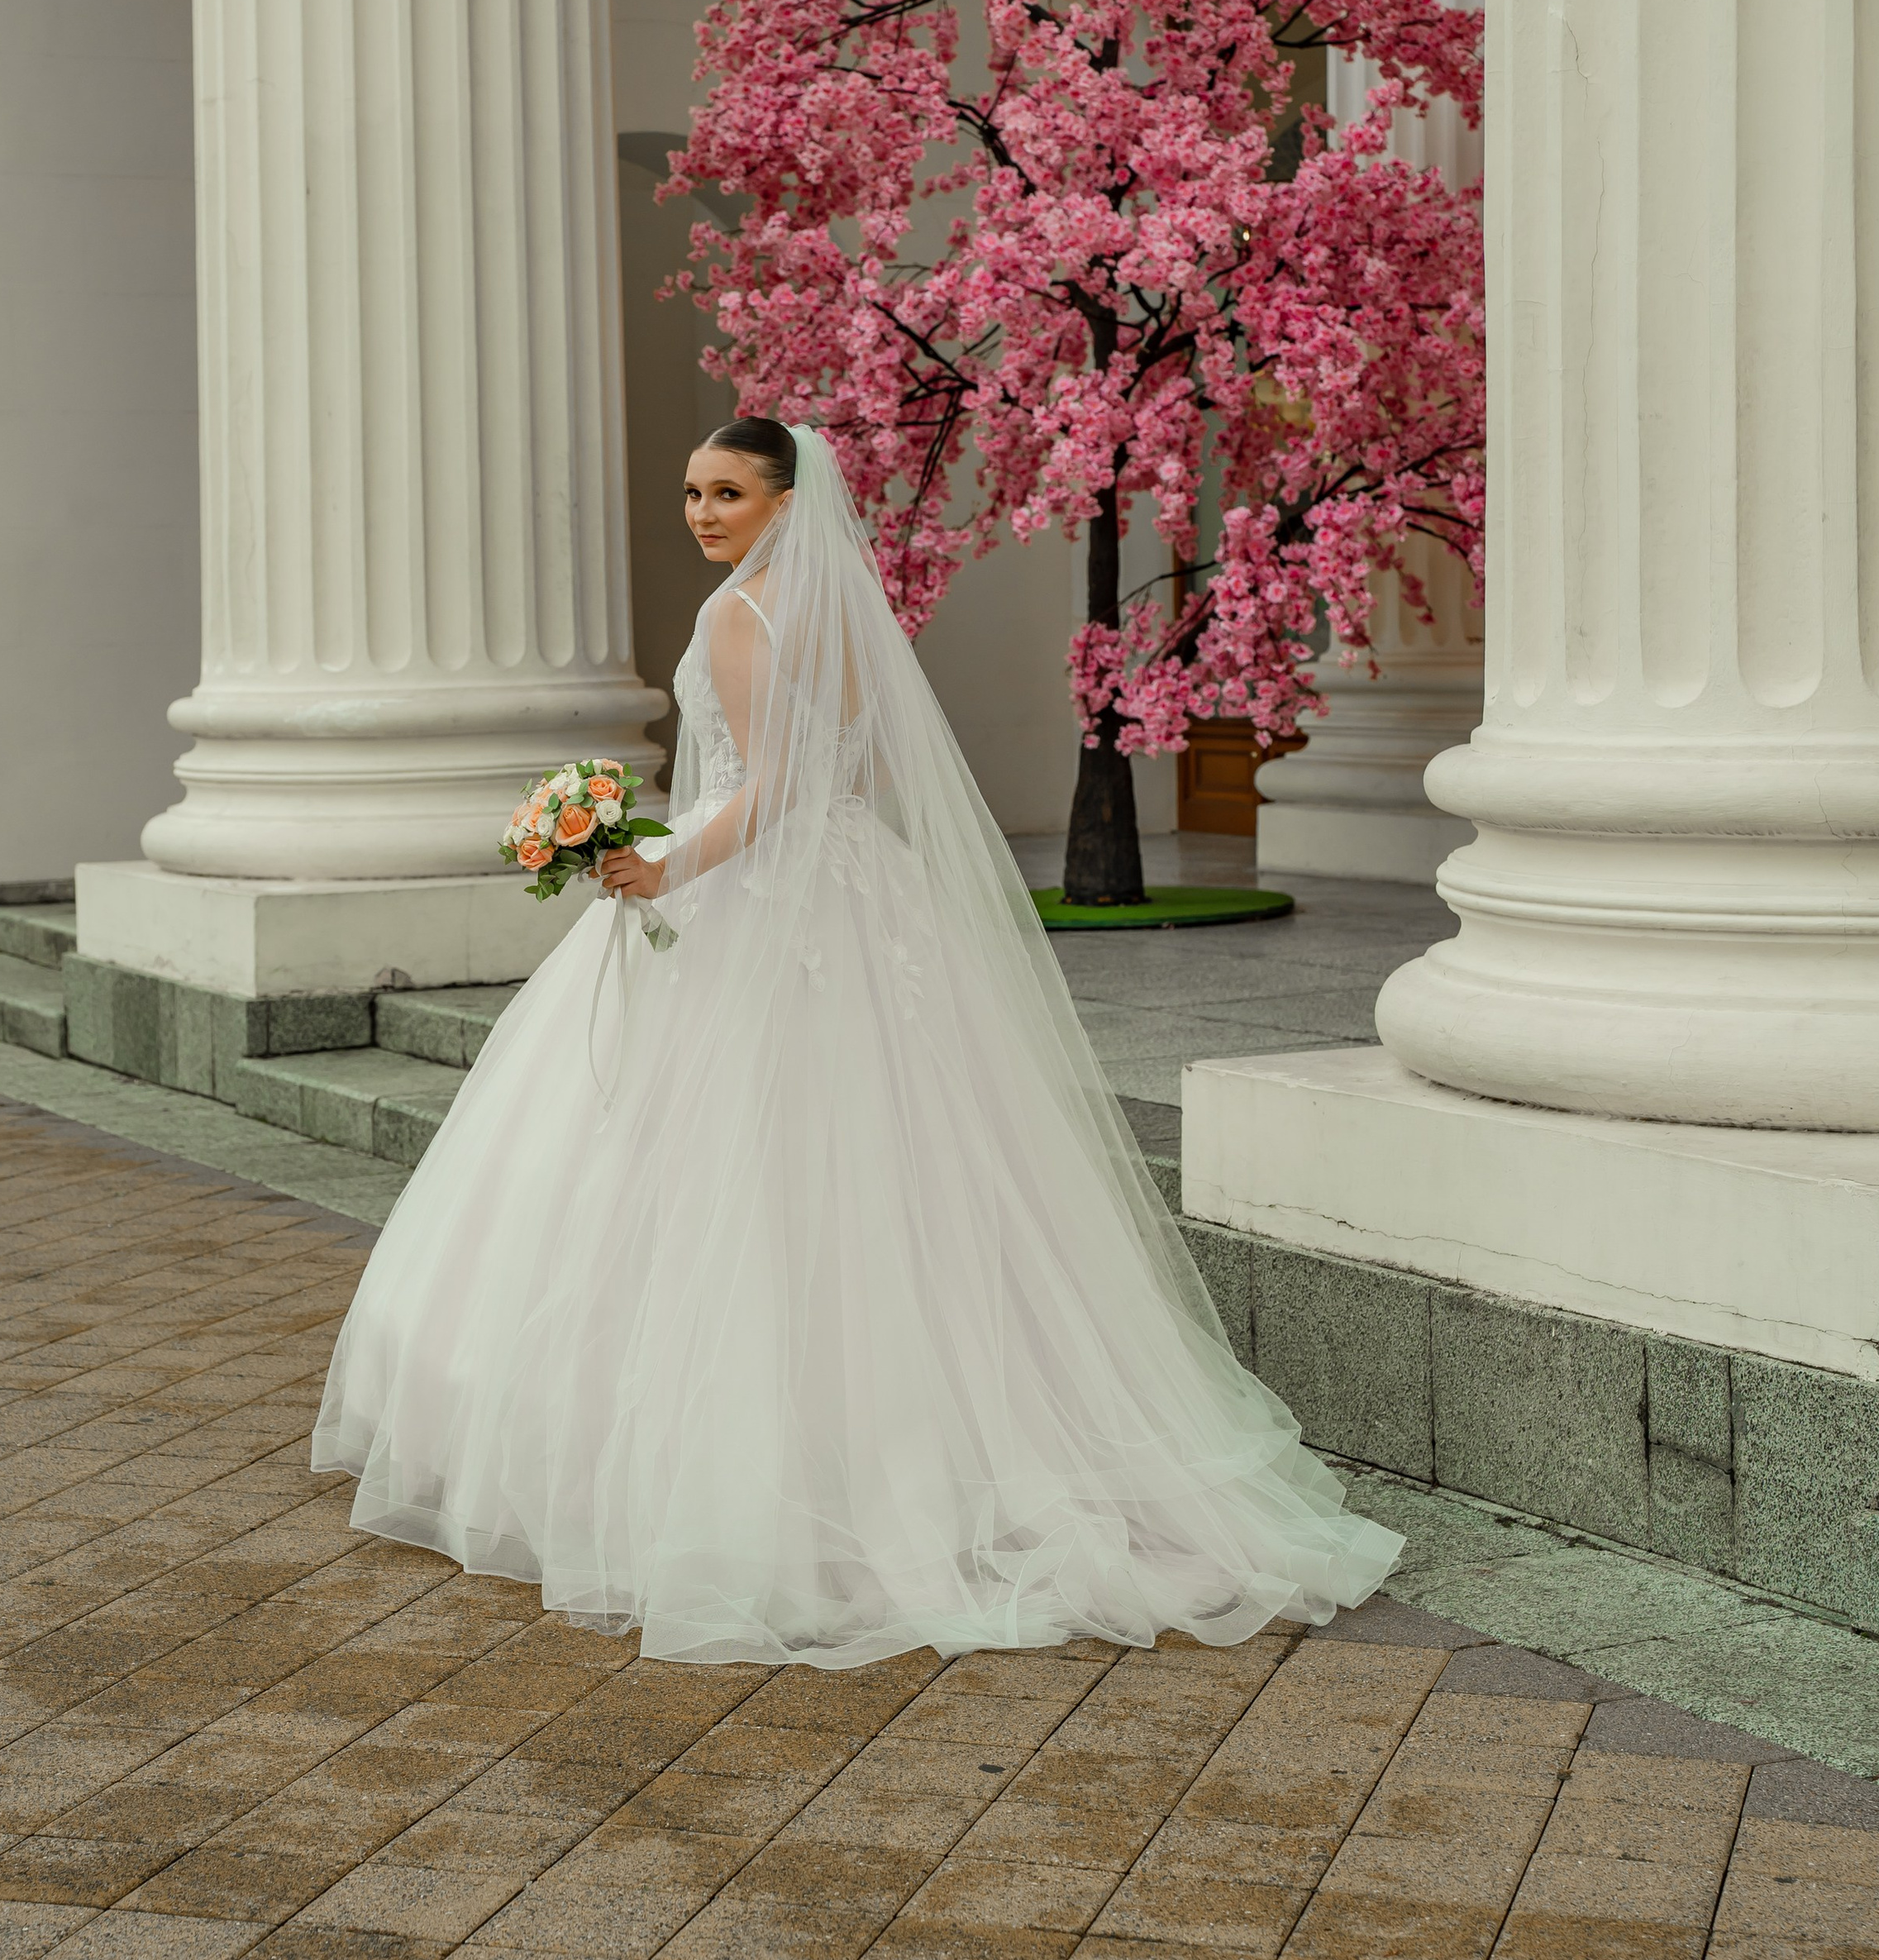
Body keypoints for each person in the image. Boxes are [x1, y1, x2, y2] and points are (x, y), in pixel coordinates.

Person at [312, 418, 1401, 1666]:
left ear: (787, 499)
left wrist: (662, 869)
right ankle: (949, 1449)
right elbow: (853, 772)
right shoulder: (835, 614)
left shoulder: (740, 618)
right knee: (901, 1163)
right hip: (856, 899)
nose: (701, 511)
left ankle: (745, 1475)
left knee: (723, 1172)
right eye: (690, 490)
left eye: (727, 491)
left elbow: (762, 794)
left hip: (750, 892)